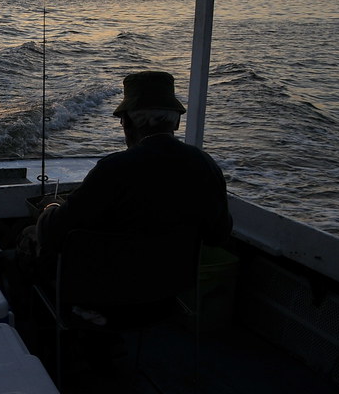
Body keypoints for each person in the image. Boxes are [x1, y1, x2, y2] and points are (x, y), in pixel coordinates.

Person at [19, 70, 232, 290]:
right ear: (176, 123)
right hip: (169, 296)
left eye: (122, 122)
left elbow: (53, 232)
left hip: (104, 296)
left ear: (128, 123)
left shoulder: (113, 169)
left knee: (30, 235)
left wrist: (50, 208)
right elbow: (219, 235)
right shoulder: (205, 165)